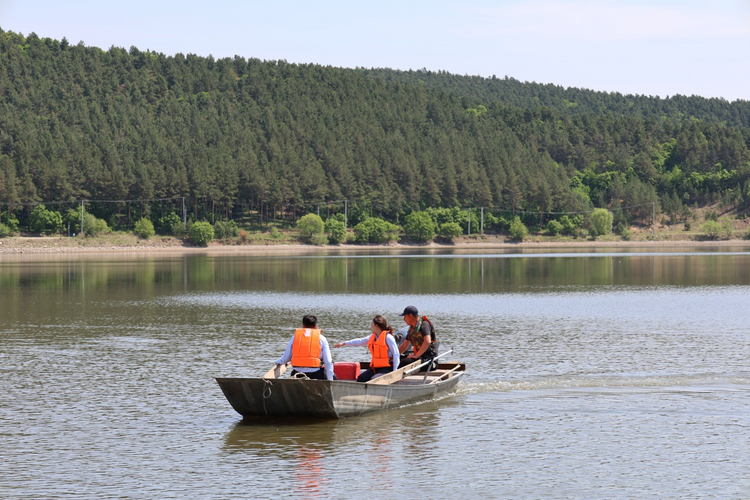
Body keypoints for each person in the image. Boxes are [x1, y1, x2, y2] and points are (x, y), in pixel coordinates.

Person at [334, 315, 400, 382]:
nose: (370, 327)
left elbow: (396, 354)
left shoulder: (388, 337)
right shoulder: (373, 337)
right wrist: (345, 343)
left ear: (376, 326)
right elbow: (360, 341)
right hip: (375, 367)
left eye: (372, 325)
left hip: (387, 368)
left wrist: (394, 371)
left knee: (374, 380)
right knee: (361, 378)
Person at [275, 314, 334, 381]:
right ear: (316, 327)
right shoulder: (322, 339)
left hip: (297, 374)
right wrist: (330, 379)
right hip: (316, 374)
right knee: (334, 377)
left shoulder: (295, 338)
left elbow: (285, 359)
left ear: (303, 326)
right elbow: (328, 362)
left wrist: (278, 361)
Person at [398, 305, 438, 371]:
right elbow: (404, 346)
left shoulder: (424, 324)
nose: (404, 319)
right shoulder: (412, 329)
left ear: (410, 316)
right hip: (420, 358)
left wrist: (416, 356)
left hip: (428, 360)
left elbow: (427, 341)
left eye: (405, 316)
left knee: (405, 362)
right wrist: (394, 356)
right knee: (397, 360)